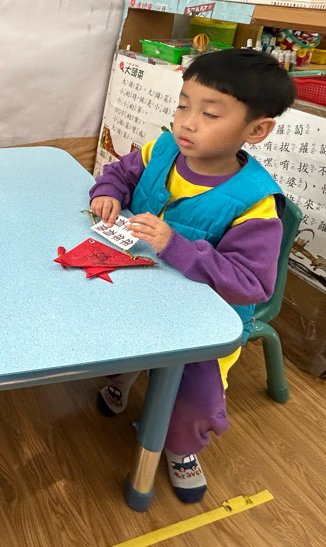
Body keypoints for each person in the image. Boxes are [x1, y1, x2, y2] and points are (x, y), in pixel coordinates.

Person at [89, 48, 295, 503]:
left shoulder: (256, 203)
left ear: (256, 130)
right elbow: (121, 173)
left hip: (206, 318)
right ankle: (123, 377)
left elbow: (253, 284)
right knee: (106, 334)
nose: (187, 123)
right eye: (183, 106)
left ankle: (181, 447)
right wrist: (108, 192)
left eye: (210, 114)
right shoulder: (162, 149)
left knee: (193, 398)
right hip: (140, 284)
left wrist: (176, 245)